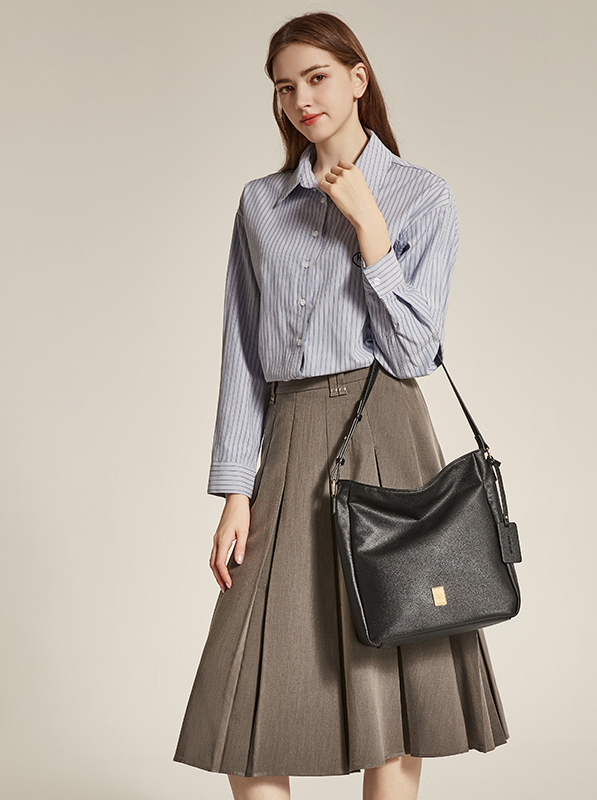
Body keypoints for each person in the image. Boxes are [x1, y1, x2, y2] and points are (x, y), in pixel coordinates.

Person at [173, 11, 509, 799]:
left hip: (389, 428)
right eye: (285, 87)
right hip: (292, 438)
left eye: (317, 78)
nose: (302, 100)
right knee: (247, 693)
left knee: (393, 666)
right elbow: (242, 354)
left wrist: (369, 228)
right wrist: (235, 490)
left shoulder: (423, 196)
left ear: (359, 78)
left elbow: (414, 354)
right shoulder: (262, 204)